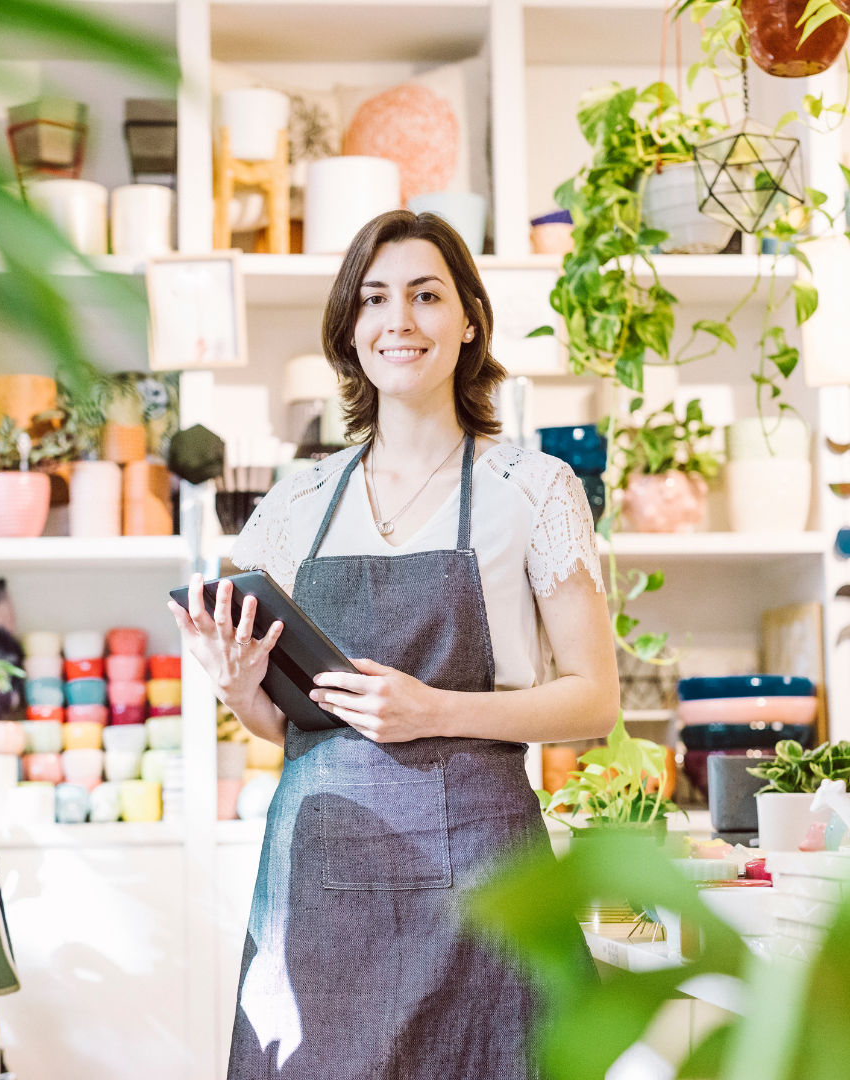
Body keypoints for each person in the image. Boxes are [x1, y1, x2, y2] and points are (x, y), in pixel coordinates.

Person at [168, 209, 618, 1080]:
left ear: (469, 322)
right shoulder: (295, 506)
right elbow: (290, 727)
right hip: (321, 889)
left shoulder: (531, 488)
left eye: (425, 296)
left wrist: (434, 709)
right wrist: (237, 686)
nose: (398, 321)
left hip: (487, 883)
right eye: (373, 299)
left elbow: (594, 697)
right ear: (349, 330)